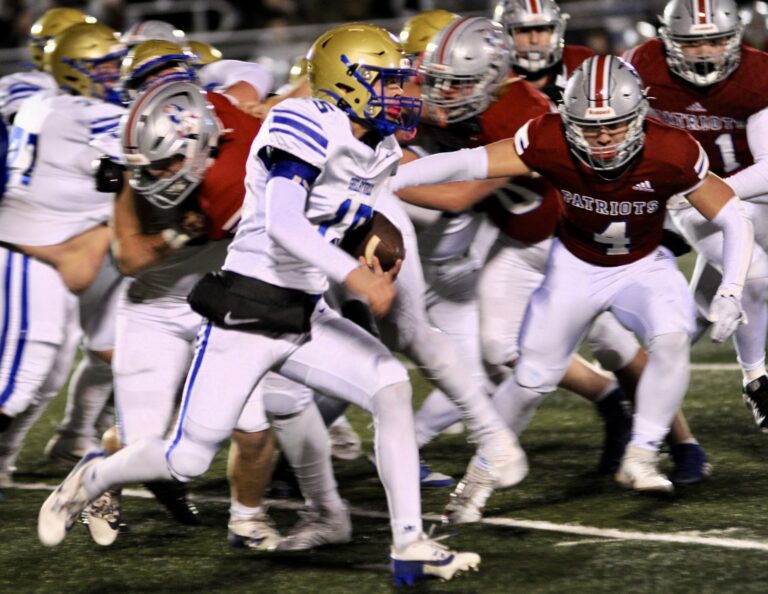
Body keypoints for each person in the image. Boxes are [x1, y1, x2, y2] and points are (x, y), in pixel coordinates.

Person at [38, 23, 481, 586]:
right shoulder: (301, 121)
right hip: (248, 308)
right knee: (186, 459)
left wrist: (518, 149)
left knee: (390, 387)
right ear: (347, 82)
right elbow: (282, 221)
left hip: (304, 311)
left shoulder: (377, 143)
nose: (398, 92)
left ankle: (409, 542)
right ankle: (92, 478)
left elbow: (382, 193)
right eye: (386, 81)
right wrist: (356, 276)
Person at [391, 55, 752, 517]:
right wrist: (392, 175)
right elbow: (469, 163)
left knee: (672, 336)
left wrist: (731, 289)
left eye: (615, 125)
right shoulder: (549, 136)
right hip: (575, 267)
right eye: (590, 126)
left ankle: (642, 454)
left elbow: (732, 217)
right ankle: (480, 476)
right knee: (530, 380)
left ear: (639, 115)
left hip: (642, 265)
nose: (602, 138)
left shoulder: (671, 149)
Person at [624, 0, 768, 432]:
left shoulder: (757, 75)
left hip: (749, 188)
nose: (704, 52)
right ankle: (756, 378)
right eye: (691, 43)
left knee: (710, 300)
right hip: (686, 198)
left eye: (716, 41)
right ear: (668, 41)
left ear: (735, 39)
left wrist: (708, 190)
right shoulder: (642, 66)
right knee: (753, 276)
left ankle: (653, 368)